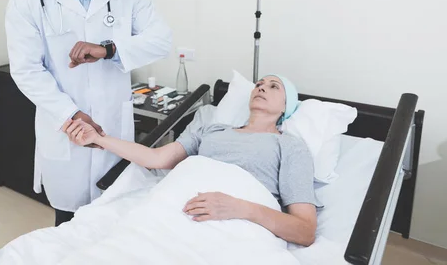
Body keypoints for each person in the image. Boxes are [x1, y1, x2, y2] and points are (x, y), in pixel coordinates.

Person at [5, 0, 172, 227]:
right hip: (67, 131)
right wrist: (70, 114)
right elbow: (26, 69)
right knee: (69, 224)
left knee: (116, 220)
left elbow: (161, 39)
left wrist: (107, 49)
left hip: (114, 129)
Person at [63, 75, 320, 246]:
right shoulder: (212, 129)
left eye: (274, 86)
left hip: (231, 225)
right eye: (259, 83)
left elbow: (305, 231)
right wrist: (98, 138)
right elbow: (156, 157)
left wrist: (240, 208)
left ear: (287, 106)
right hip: (176, 208)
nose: (261, 87)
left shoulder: (289, 146)